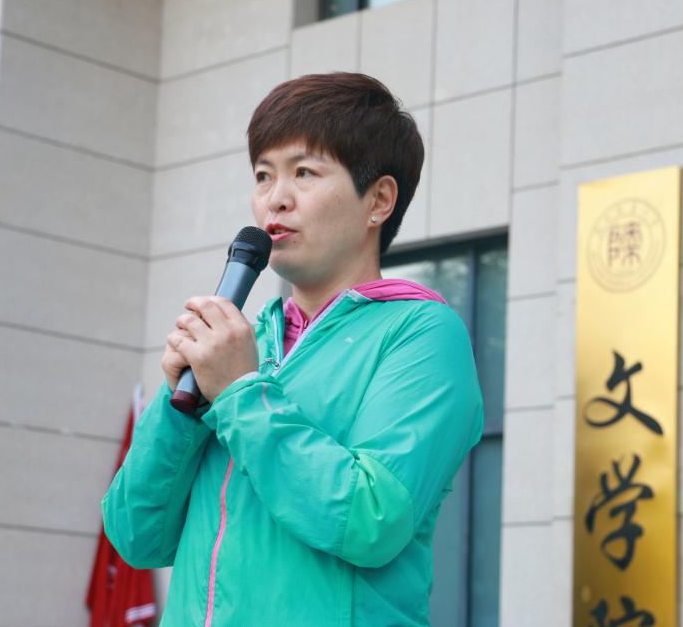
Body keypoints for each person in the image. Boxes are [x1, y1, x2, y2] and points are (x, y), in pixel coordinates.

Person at [102, 73, 484, 626]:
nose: (274, 198)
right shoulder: (243, 342)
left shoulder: (421, 333)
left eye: (304, 172)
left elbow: (370, 520)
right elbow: (136, 536)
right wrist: (178, 407)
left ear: (379, 200)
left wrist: (240, 393)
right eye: (263, 175)